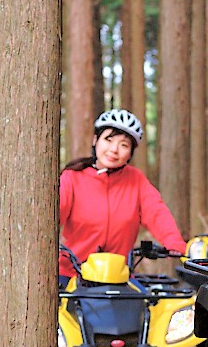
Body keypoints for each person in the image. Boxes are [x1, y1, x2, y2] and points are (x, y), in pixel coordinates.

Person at [59, 109, 188, 281]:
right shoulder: (72, 177)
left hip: (119, 277)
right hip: (71, 274)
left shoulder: (136, 180)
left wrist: (174, 242)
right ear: (95, 140)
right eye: (108, 140)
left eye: (124, 145)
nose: (114, 149)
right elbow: (55, 213)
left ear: (130, 154)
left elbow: (156, 211)